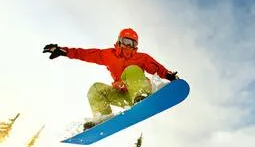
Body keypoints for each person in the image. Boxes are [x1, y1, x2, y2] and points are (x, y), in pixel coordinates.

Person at [43, 28, 178, 130]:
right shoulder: (108, 55)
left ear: (136, 46)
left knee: (131, 70)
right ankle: (103, 116)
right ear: (119, 40)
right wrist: (63, 51)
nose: (129, 45)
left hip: (140, 90)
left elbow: (157, 68)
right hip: (123, 95)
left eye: (132, 43)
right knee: (95, 88)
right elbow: (87, 54)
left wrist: (169, 76)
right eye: (126, 41)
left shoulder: (141, 57)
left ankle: (141, 97)